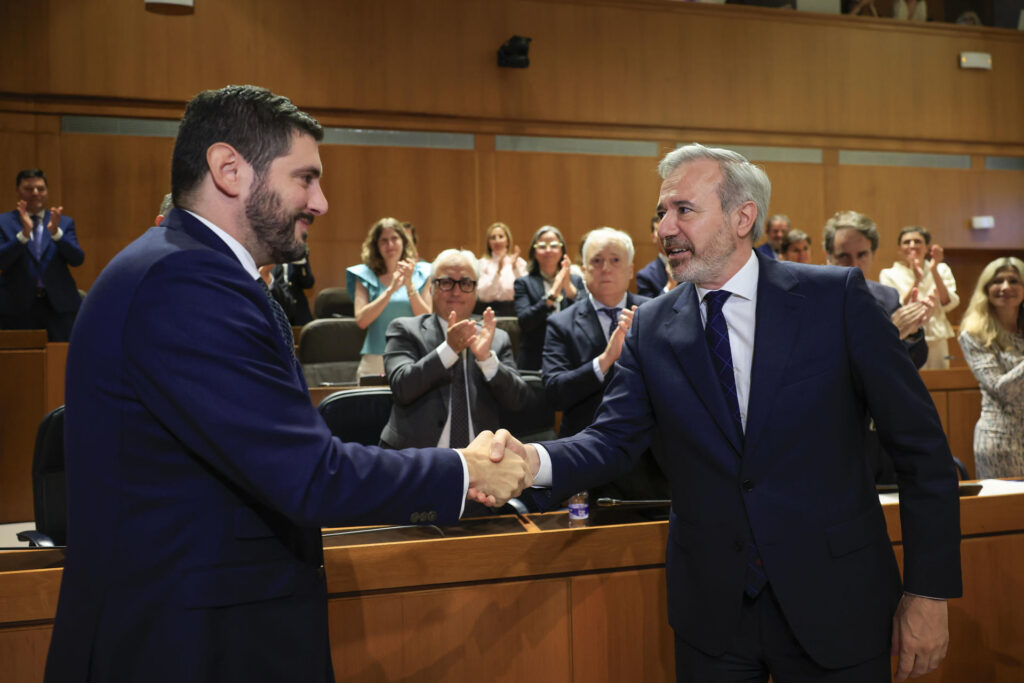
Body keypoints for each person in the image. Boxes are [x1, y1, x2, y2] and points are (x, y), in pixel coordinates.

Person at [45, 85, 532, 683]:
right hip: (183, 645)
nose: (320, 203)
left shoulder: (183, 267)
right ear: (229, 170)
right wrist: (463, 469)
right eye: (305, 178)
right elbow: (307, 474)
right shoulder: (186, 281)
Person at [495, 144, 961, 682]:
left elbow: (921, 449)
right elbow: (611, 440)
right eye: (661, 213)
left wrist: (928, 592)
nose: (664, 229)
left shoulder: (835, 300)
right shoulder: (650, 327)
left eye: (683, 210)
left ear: (743, 218)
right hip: (714, 618)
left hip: (837, 600)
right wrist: (531, 462)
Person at [541, 227, 667, 502]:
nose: (606, 268)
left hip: (650, 462)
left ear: (631, 269)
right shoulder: (560, 324)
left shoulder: (656, 313)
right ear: (584, 271)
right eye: (597, 261)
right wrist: (605, 359)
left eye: (615, 260)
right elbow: (554, 393)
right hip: (586, 460)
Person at [381, 248, 529, 450]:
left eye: (466, 283)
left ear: (476, 291)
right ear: (432, 288)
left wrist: (486, 359)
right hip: (416, 457)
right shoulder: (405, 329)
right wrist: (449, 350)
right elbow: (402, 388)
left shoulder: (496, 338)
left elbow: (518, 401)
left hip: (481, 459)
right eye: (446, 282)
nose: (456, 292)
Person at [823, 210, 931, 369]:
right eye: (843, 256)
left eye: (862, 255)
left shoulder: (888, 297)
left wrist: (911, 332)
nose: (854, 265)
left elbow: (913, 363)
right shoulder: (812, 300)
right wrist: (889, 335)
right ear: (828, 257)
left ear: (873, 254)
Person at [957, 257, 1024, 478]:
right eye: (998, 281)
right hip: (1001, 440)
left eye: (1014, 281)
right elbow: (1000, 388)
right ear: (986, 288)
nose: (1005, 287)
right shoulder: (974, 334)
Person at [0, 168, 85, 341]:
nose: (35, 193)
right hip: (16, 306)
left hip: (58, 306)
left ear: (47, 191)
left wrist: (56, 234)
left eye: (40, 188)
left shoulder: (63, 222)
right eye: (28, 189)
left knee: (61, 356)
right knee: (20, 356)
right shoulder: (4, 222)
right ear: (18, 191)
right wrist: (23, 236)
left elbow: (77, 259)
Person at [346, 217, 431, 378]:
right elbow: (362, 320)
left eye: (394, 238)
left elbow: (427, 319)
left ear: (403, 241)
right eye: (384, 241)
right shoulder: (364, 274)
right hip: (375, 359)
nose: (390, 245)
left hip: (415, 355)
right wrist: (390, 290)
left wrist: (409, 285)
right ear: (376, 246)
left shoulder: (423, 273)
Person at [880, 226, 959, 369]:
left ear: (927, 247)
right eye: (906, 242)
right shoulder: (888, 274)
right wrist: (917, 280)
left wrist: (934, 270)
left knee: (940, 379)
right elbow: (893, 307)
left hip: (936, 337)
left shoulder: (941, 269)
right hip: (906, 337)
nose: (912, 246)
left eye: (917, 241)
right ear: (899, 249)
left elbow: (948, 302)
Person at [513, 225, 585, 370]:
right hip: (534, 357)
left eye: (553, 245)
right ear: (534, 252)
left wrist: (568, 288)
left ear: (562, 250)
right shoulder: (523, 283)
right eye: (541, 246)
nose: (548, 250)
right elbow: (525, 322)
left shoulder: (576, 281)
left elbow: (586, 316)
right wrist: (552, 295)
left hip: (571, 355)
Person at [476, 221, 527, 316]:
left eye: (501, 236)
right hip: (488, 311)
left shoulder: (519, 262)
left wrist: (515, 269)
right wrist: (498, 271)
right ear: (488, 243)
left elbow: (524, 291)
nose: (497, 241)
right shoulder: (482, 263)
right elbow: (482, 295)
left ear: (508, 241)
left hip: (514, 312)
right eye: (493, 238)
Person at [270, 244, 316, 325]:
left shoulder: (297, 253)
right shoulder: (268, 256)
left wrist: (301, 262)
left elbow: (308, 283)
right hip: (276, 311)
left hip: (299, 314)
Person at [636, 215, 670, 298]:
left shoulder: (693, 265)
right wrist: (670, 285)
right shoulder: (645, 276)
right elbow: (649, 306)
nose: (666, 235)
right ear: (653, 237)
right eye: (660, 230)